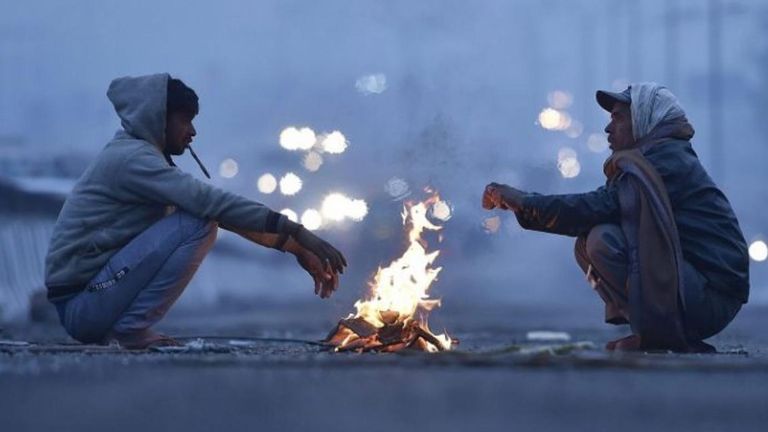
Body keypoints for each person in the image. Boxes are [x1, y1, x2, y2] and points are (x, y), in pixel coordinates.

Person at [45, 73, 347, 349]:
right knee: (198, 223)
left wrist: (294, 247)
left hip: (91, 302)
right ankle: (130, 330)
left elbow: (226, 215)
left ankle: (127, 329)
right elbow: (213, 205)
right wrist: (298, 231)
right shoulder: (134, 160)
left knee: (202, 218)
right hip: (84, 305)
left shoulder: (140, 156)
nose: (192, 131)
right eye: (184, 120)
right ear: (158, 118)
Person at [483, 82, 749, 352]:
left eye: (618, 118)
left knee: (602, 239)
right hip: (697, 287)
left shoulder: (665, 162)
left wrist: (525, 202)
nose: (609, 128)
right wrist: (525, 201)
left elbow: (595, 206)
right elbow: (597, 206)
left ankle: (661, 336)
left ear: (646, 120)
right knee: (589, 241)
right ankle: (654, 332)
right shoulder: (650, 159)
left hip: (711, 296)